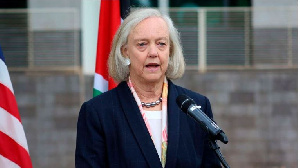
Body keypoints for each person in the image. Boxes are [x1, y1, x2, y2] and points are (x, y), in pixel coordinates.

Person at [75, 8, 222, 168]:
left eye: (161, 44)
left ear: (170, 50)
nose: (153, 52)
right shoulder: (98, 112)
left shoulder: (197, 108)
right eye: (142, 44)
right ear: (125, 52)